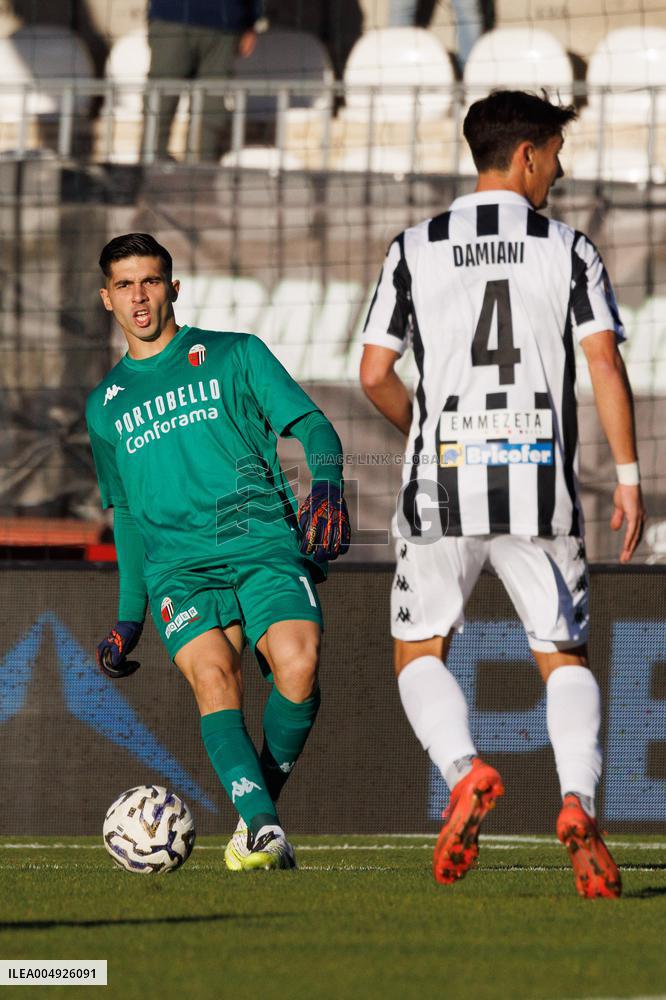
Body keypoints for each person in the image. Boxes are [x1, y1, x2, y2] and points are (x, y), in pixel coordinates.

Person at [359, 90, 645, 898]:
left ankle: (463, 772)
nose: (561, 167)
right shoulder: (568, 248)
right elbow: (603, 365)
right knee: (562, 655)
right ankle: (578, 806)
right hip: (537, 474)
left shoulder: (415, 247)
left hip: (440, 474)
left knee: (419, 651)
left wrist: (426, 430)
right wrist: (628, 478)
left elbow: (374, 375)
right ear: (526, 154)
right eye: (556, 151)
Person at [86, 233, 350, 871]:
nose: (139, 296)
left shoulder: (236, 354)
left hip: (257, 539)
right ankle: (263, 830)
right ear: (106, 299)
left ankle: (254, 814)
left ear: (173, 287)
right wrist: (129, 618)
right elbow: (124, 514)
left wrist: (330, 486)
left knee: (299, 663)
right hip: (178, 569)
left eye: (150, 281)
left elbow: (313, 425)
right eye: (125, 285)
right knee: (214, 679)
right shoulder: (103, 407)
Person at [143, 0, 263, 160]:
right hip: (173, 15)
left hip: (224, 21)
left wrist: (250, 21)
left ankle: (199, 174)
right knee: (160, 103)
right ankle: (149, 172)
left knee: (209, 111)